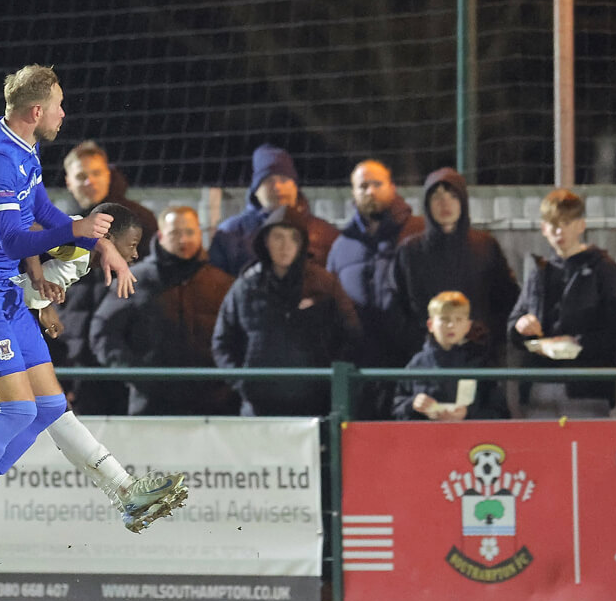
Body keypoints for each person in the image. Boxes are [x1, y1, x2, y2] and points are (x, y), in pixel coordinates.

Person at [0, 64, 185, 565]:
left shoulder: (24, 149)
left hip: (4, 293)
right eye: (60, 106)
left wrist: (96, 239)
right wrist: (84, 233)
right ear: (36, 111)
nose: (65, 114)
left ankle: (117, 496)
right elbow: (14, 240)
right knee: (19, 410)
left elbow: (42, 212)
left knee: (48, 408)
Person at [90, 205, 237, 415]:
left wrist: (226, 381)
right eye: (175, 233)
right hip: (152, 405)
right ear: (160, 235)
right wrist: (138, 375)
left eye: (190, 232)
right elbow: (103, 333)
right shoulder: (134, 280)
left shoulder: (222, 283)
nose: (183, 240)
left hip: (213, 405)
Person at [212, 209, 360, 416]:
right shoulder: (245, 287)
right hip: (258, 407)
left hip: (313, 406)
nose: (285, 246)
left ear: (302, 243)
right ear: (265, 242)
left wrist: (327, 380)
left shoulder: (324, 284)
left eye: (293, 238)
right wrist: (243, 383)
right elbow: (222, 342)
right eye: (277, 237)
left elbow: (350, 334)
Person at [508, 189, 616, 418]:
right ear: (543, 228)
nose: (560, 231)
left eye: (567, 223)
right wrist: (521, 325)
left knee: (587, 452)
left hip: (586, 388)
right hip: (541, 385)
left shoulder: (603, 270)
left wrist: (577, 343)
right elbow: (514, 324)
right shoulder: (539, 271)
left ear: (581, 226)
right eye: (554, 224)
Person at [326, 159, 425, 418]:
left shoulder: (419, 233)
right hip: (361, 371)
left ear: (392, 186)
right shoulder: (341, 246)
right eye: (363, 186)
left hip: (412, 367)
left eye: (377, 184)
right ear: (353, 193)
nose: (370, 191)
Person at [390, 167, 519, 363]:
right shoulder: (410, 252)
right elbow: (396, 306)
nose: (445, 204)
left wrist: (486, 335)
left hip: (479, 360)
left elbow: (507, 300)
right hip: (428, 361)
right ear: (427, 204)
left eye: (453, 196)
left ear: (463, 202)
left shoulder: (485, 246)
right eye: (437, 197)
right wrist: (422, 342)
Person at [44, 204, 142, 416]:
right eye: (132, 245)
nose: (135, 254)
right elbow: (28, 234)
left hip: (111, 379)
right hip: (76, 375)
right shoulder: (72, 247)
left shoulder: (93, 262)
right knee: (19, 409)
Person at [208, 143, 339, 276]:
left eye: (283, 179)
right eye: (268, 180)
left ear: (295, 186)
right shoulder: (230, 235)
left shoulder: (326, 235)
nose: (277, 187)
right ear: (256, 190)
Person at [393, 291, 509, 421]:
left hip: (469, 437)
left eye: (458, 319)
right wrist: (413, 405)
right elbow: (396, 409)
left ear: (467, 326)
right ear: (430, 325)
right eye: (444, 319)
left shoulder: (480, 363)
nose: (451, 325)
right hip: (426, 436)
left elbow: (499, 412)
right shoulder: (417, 364)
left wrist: (468, 414)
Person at [58, 139, 157, 259]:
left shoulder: (139, 218)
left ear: (108, 176)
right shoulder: (67, 223)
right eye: (81, 176)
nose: (90, 182)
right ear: (68, 183)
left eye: (96, 173)